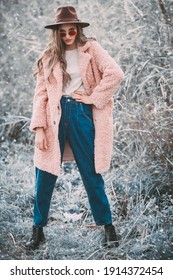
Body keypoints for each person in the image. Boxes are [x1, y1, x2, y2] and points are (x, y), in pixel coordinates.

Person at [27, 6, 124, 250]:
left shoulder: (91, 48)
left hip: (81, 114)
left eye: (72, 30)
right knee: (44, 173)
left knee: (91, 172)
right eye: (63, 32)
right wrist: (39, 128)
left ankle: (108, 228)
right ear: (56, 33)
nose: (68, 35)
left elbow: (115, 73)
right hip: (53, 116)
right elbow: (40, 94)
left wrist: (93, 97)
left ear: (78, 29)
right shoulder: (49, 56)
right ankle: (37, 231)